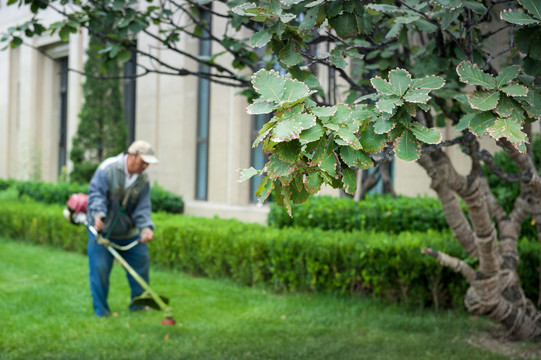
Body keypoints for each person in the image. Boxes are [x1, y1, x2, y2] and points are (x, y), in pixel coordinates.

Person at [86, 140, 159, 317]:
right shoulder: (108, 169)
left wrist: (146, 228)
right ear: (132, 156)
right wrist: (99, 216)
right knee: (100, 271)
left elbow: (143, 208)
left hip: (129, 233)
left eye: (148, 163)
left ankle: (139, 306)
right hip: (103, 233)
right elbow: (96, 195)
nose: (145, 166)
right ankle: (102, 312)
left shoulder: (143, 179)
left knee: (141, 265)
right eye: (143, 161)